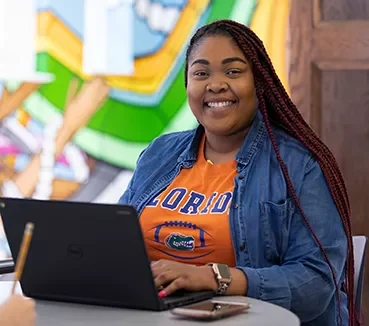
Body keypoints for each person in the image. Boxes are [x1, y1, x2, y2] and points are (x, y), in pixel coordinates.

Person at [119, 20, 355, 326]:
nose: (215, 84)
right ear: (188, 85)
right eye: (201, 73)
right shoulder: (159, 154)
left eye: (233, 71)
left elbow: (316, 282)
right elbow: (115, 239)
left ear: (259, 82)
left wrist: (213, 277)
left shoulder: (300, 165)